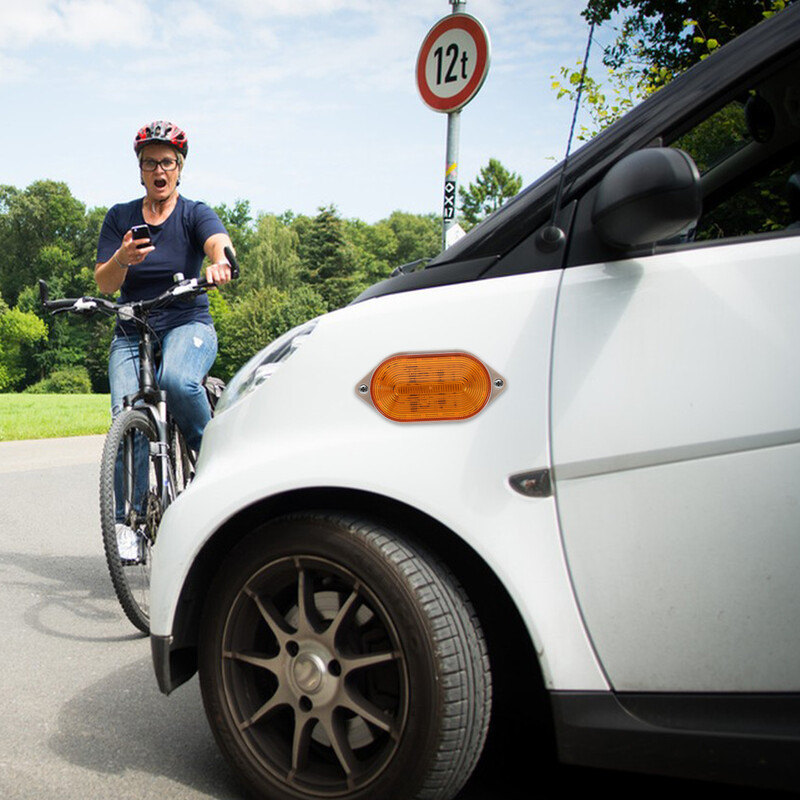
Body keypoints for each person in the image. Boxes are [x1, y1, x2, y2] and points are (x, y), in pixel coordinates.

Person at [95, 120, 233, 560]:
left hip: (186, 321)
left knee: (176, 379)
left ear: (179, 169)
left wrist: (219, 264)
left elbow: (218, 243)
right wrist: (122, 257)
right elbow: (105, 284)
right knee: (127, 417)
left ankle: (215, 468)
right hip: (133, 328)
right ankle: (128, 523)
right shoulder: (120, 217)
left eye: (167, 162)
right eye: (150, 162)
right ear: (140, 170)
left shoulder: (194, 212)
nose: (159, 170)